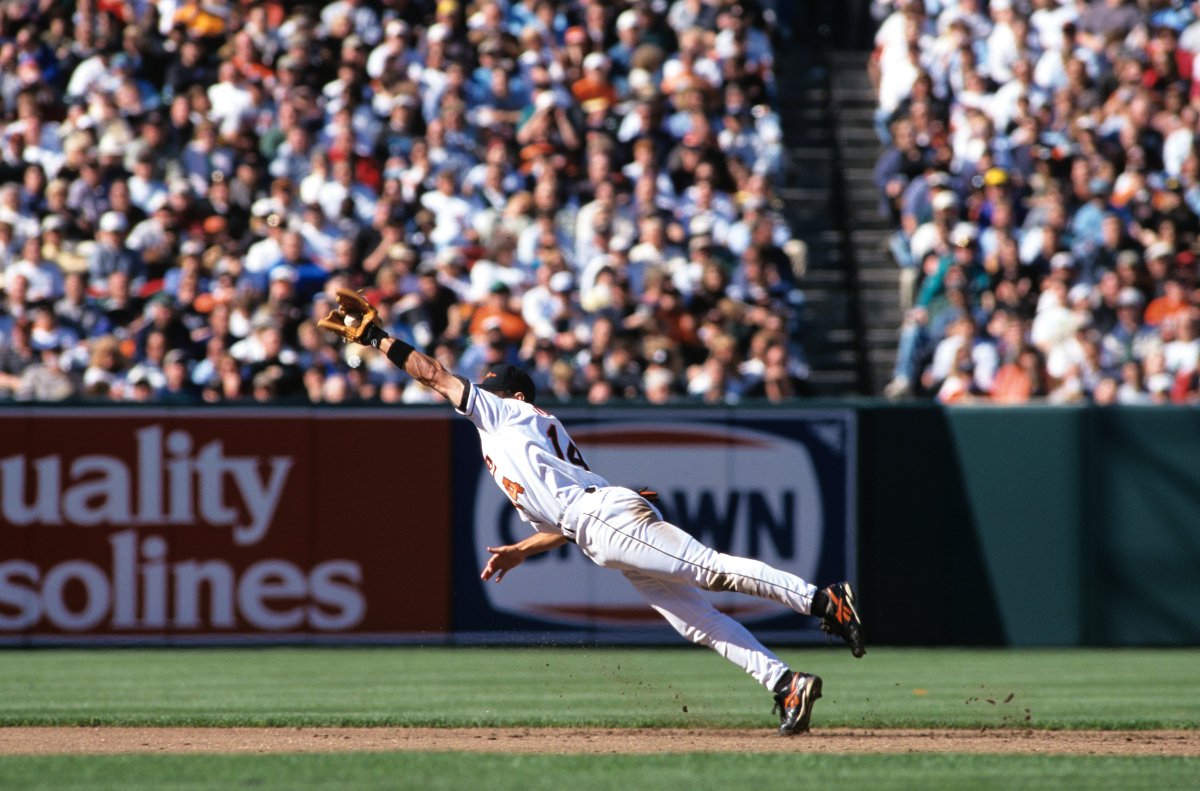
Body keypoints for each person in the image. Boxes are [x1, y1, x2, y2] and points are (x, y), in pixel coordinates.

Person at [318, 291, 865, 735]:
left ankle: (822, 600)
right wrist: (520, 550)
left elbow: (433, 373)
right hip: (592, 523)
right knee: (695, 619)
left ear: (510, 394)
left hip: (600, 518)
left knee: (707, 568)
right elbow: (555, 529)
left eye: (487, 387)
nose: (475, 392)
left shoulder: (505, 413)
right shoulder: (510, 438)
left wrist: (377, 337)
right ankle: (786, 684)